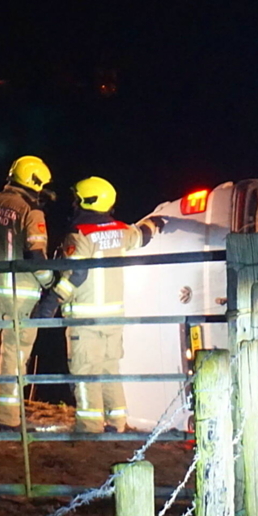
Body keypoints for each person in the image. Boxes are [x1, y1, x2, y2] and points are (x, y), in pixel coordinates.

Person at [33, 176, 165, 433]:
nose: (74, 204)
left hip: (85, 320)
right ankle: (116, 423)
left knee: (85, 373)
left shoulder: (80, 235)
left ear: (86, 201)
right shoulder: (121, 230)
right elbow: (143, 235)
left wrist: (50, 305)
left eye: (77, 199)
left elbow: (75, 276)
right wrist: (156, 221)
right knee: (109, 370)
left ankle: (89, 426)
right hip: (114, 318)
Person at [0, 155, 55, 430]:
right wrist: (50, 281)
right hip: (20, 294)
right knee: (15, 357)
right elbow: (35, 255)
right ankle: (9, 421)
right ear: (33, 181)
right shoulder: (31, 212)